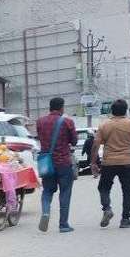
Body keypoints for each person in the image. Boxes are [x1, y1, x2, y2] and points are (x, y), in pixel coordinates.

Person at [91, 99, 130, 229]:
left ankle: (107, 209)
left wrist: (93, 162)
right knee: (128, 191)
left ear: (112, 111)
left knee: (104, 188)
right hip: (127, 162)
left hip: (108, 162)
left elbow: (95, 145)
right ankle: (125, 219)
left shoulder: (104, 125)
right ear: (125, 110)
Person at [36, 97, 78, 233]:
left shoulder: (40, 122)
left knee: (47, 191)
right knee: (65, 192)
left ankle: (46, 212)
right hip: (63, 162)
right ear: (62, 107)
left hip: (46, 163)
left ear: (50, 107)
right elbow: (74, 141)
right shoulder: (67, 122)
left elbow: (40, 138)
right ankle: (63, 224)